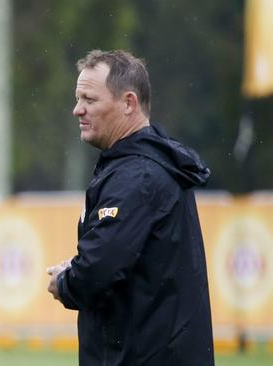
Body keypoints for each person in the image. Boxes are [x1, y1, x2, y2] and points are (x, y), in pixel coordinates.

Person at [47, 50, 214, 365]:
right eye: (77, 98)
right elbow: (124, 258)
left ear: (128, 103)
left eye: (89, 100)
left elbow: (99, 268)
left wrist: (66, 282)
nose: (77, 110)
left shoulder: (138, 177)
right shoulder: (138, 167)